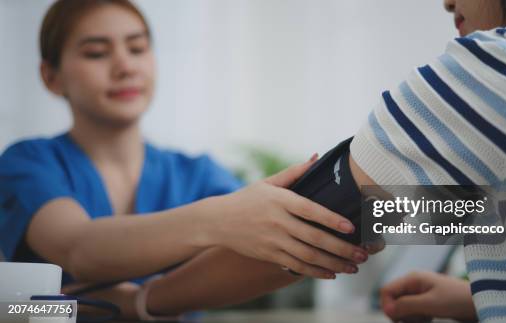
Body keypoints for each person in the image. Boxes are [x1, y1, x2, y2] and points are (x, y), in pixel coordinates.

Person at [0, 0, 370, 320]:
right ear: (51, 77)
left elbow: (268, 251)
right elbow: (77, 251)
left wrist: (141, 302)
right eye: (97, 53)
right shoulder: (27, 163)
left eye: (138, 48)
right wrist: (217, 219)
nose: (125, 66)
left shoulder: (196, 173)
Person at [345, 0, 506, 321]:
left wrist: (265, 216)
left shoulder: (502, 64)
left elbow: (347, 217)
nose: (447, 3)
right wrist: (484, 298)